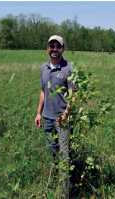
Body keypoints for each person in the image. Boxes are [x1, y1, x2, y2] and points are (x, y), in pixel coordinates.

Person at [34, 35, 77, 184]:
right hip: (47, 117)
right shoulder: (43, 68)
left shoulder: (69, 68)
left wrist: (67, 113)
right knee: (52, 146)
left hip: (62, 118)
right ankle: (60, 173)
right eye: (51, 46)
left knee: (64, 149)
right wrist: (39, 113)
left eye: (58, 46)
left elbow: (73, 95)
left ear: (63, 49)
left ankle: (67, 181)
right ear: (47, 48)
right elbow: (42, 91)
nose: (54, 49)